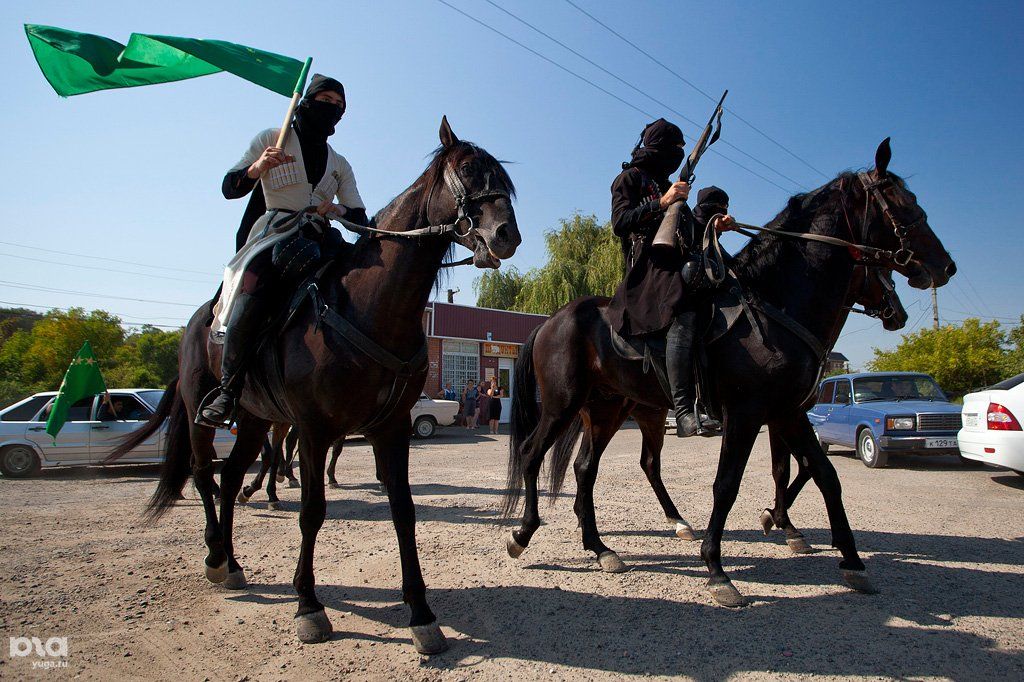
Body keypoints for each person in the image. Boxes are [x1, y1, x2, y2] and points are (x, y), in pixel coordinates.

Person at [199, 74, 370, 427]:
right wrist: (257, 168)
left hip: (321, 237)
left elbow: (358, 216)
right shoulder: (270, 139)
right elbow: (229, 187)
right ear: (307, 101)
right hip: (275, 233)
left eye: (339, 106)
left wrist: (335, 210)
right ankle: (229, 390)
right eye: (326, 100)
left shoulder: (340, 164)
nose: (333, 108)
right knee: (256, 283)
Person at [606, 119, 734, 437]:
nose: (677, 154)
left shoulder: (669, 185)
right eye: (674, 148)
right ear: (658, 148)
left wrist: (714, 227)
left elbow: (686, 230)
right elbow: (620, 222)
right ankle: (683, 409)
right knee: (685, 310)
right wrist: (661, 202)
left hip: (673, 262)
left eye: (681, 150)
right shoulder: (628, 178)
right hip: (646, 268)